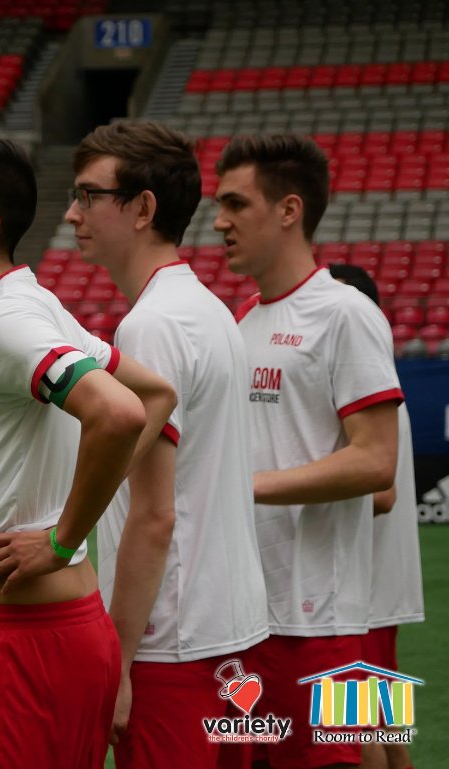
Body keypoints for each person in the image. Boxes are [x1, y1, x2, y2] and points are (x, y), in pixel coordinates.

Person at [0, 136, 177, 769]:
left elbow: (123, 410)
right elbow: (155, 392)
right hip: (65, 633)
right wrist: (79, 506)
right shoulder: (28, 303)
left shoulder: (6, 321)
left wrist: (59, 537)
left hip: (28, 644)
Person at [66, 120, 268, 768]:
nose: (72, 211)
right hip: (232, 632)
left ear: (143, 207)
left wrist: (117, 662)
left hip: (171, 642)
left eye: (89, 195)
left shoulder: (152, 324)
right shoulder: (211, 310)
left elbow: (154, 514)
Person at [214, 136, 402, 769]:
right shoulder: (241, 322)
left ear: (289, 210)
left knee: (354, 754)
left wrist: (247, 487)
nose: (219, 221)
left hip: (322, 618)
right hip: (246, 615)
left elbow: (377, 463)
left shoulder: (346, 315)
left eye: (236, 204)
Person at [329, 263, 424, 769]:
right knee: (385, 729)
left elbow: (381, 494)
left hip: (363, 593)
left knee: (353, 728)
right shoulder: (381, 391)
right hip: (378, 593)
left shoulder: (367, 395)